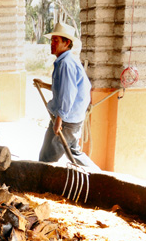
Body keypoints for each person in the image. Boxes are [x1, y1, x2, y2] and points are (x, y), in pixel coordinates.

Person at [35, 21, 98, 169]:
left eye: (56, 41)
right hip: (71, 118)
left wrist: (59, 120)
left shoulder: (65, 64)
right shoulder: (66, 61)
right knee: (74, 153)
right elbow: (63, 88)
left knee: (47, 158)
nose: (52, 44)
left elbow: (67, 94)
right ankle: (98, 175)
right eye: (52, 40)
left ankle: (98, 176)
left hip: (67, 120)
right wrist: (43, 85)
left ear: (67, 42)